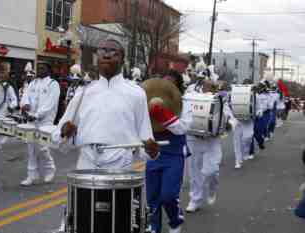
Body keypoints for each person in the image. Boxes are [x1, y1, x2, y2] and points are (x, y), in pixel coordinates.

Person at [53, 39, 159, 169]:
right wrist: (64, 132)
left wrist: (151, 150)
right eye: (102, 50)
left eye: (113, 51)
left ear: (122, 59)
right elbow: (59, 138)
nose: (107, 55)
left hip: (121, 164)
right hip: (87, 164)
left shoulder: (136, 93)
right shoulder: (84, 92)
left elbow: (146, 138)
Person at [145, 70, 192, 233]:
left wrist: (162, 114)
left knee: (169, 195)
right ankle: (154, 227)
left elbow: (182, 128)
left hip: (174, 153)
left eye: (170, 83)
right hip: (152, 153)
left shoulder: (184, 103)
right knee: (152, 197)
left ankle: (175, 219)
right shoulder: (147, 100)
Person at [186, 78, 237, 213]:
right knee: (194, 171)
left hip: (212, 141)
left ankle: (212, 188)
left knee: (212, 170)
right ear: (202, 86)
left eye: (213, 87)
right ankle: (195, 200)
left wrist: (228, 124)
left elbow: (232, 119)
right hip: (194, 139)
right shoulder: (192, 97)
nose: (211, 89)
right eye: (208, 86)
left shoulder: (220, 101)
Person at [20, 62, 60, 186]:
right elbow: (25, 96)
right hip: (31, 119)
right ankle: (32, 175)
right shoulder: (33, 83)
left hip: (45, 120)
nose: (40, 70)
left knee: (43, 147)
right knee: (31, 148)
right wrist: (25, 105)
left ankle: (50, 170)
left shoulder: (53, 84)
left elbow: (50, 104)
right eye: (39, 68)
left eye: (43, 68)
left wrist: (36, 115)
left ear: (49, 70)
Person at [0, 63, 18, 150]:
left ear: (6, 75)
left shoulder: (8, 87)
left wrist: (11, 106)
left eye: (3, 73)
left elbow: (14, 99)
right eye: (0, 73)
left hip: (4, 108)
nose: (1, 75)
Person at [232, 79, 255, 169]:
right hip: (238, 120)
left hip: (248, 121)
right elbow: (230, 105)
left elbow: (258, 107)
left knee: (248, 138)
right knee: (237, 142)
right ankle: (237, 160)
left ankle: (246, 151)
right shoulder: (236, 94)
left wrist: (258, 111)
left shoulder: (253, 95)